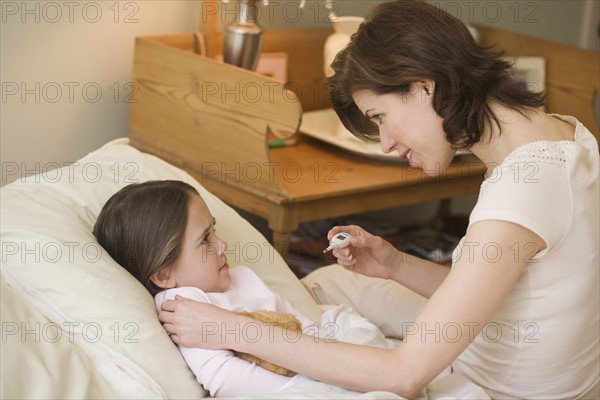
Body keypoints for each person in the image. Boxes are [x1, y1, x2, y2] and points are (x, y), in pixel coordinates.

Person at [156, 0, 599, 399]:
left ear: (425, 87)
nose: (386, 143)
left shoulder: (524, 185)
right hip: (517, 346)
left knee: (321, 303)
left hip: (497, 386)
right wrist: (394, 264)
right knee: (331, 282)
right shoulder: (557, 133)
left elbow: (404, 374)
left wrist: (230, 329)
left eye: (381, 117)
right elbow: (501, 287)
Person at [92, 180, 392, 398]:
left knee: (356, 333)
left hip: (315, 368)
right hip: (288, 389)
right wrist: (310, 388)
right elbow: (223, 377)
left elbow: (302, 325)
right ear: (163, 274)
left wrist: (334, 360)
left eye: (215, 229)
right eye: (205, 240)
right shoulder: (184, 305)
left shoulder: (243, 277)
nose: (222, 244)